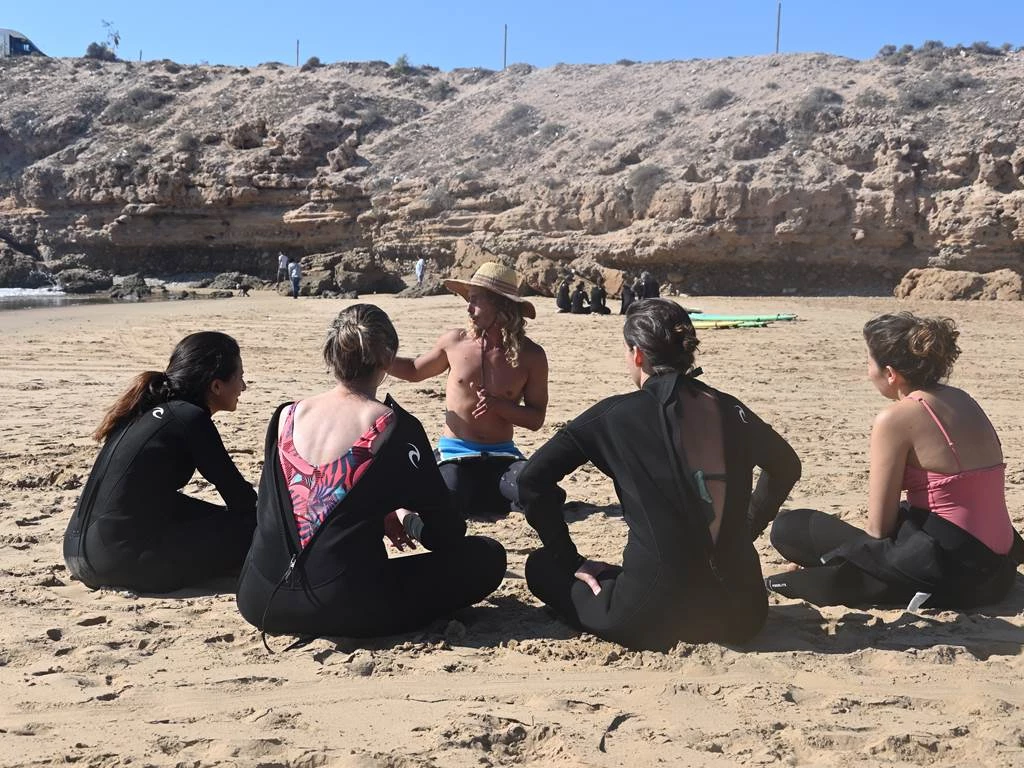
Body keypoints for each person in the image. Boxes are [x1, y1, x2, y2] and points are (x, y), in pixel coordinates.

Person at [518, 299, 801, 651]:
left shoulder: (613, 415)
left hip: (651, 616)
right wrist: (746, 528)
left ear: (637, 354)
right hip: (743, 613)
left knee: (541, 566)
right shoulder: (730, 408)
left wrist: (569, 558)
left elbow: (531, 479)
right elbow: (786, 465)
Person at [236, 305, 506, 638]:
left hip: (259, 599)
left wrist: (377, 512)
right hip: (344, 604)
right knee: (486, 556)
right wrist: (407, 518)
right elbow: (446, 531)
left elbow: (295, 504)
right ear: (388, 358)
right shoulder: (391, 427)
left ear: (330, 355)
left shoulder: (286, 416)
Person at [768, 313, 1024, 610]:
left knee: (789, 530)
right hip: (998, 568)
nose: (867, 371)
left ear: (890, 373)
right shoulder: (963, 399)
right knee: (804, 532)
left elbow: (879, 528)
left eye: (868, 362)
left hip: (953, 574)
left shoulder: (896, 418)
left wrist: (850, 555)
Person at [63, 332, 257, 593]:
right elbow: (239, 497)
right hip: (117, 561)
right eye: (240, 377)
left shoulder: (146, 411)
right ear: (216, 386)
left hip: (79, 551)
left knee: (221, 520)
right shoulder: (190, 419)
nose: (243, 387)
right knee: (252, 530)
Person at [389, 262, 548, 521]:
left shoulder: (531, 356)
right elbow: (414, 371)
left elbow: (536, 419)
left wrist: (501, 407)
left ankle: (488, 496)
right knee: (445, 501)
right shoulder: (455, 342)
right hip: (455, 455)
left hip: (503, 457)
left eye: (476, 300)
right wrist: (379, 358)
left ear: (500, 304)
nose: (468, 308)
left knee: (538, 491)